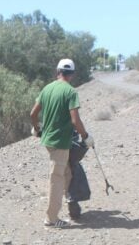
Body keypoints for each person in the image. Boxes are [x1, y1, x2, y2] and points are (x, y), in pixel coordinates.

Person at [30, 58, 94, 228]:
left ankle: (72, 205)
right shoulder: (70, 92)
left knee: (66, 172)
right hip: (60, 142)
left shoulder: (47, 88)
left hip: (48, 139)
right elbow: (75, 120)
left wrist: (37, 129)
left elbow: (32, 114)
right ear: (71, 74)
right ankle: (51, 219)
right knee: (57, 177)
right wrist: (86, 136)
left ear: (57, 71)